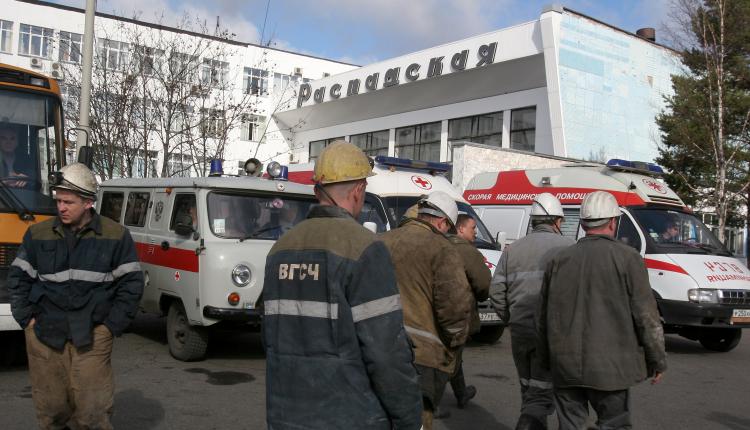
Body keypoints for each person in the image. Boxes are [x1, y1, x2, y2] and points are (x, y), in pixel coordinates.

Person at [263, 141, 422, 430]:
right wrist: (410, 419)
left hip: (286, 415)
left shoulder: (279, 250)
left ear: (316, 192)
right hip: (350, 417)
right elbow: (386, 353)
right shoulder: (364, 248)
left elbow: (271, 338)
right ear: (359, 190)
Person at [7, 162, 144, 430]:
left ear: (88, 203)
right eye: (58, 201)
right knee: (52, 411)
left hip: (92, 336)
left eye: (68, 202)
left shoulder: (116, 236)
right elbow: (18, 278)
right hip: (45, 335)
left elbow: (132, 285)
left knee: (93, 414)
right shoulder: (38, 234)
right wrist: (27, 320)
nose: (61, 207)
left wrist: (110, 326)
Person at [538, 191, 667, 430]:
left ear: (583, 222)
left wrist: (547, 361)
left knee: (570, 426)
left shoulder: (558, 260)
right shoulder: (629, 259)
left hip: (565, 367)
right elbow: (646, 317)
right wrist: (657, 360)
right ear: (613, 222)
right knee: (614, 424)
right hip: (612, 371)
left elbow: (543, 317)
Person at [380, 191, 474, 430]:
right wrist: (455, 342)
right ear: (442, 222)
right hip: (422, 358)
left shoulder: (381, 241)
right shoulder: (442, 249)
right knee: (418, 421)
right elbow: (455, 306)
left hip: (378, 349)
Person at [490, 193, 575, 430]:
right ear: (557, 221)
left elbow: (496, 291)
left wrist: (510, 318)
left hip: (520, 330)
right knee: (547, 391)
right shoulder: (569, 248)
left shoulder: (512, 250)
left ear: (533, 221)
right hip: (553, 333)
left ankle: (532, 420)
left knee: (529, 387)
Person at [445, 213, 491, 409]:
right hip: (458, 312)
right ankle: (430, 404)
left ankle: (461, 393)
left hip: (432, 311)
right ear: (461, 229)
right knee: (450, 357)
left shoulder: (438, 245)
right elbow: (483, 284)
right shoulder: (467, 252)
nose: (475, 232)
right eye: (473, 228)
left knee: (452, 356)